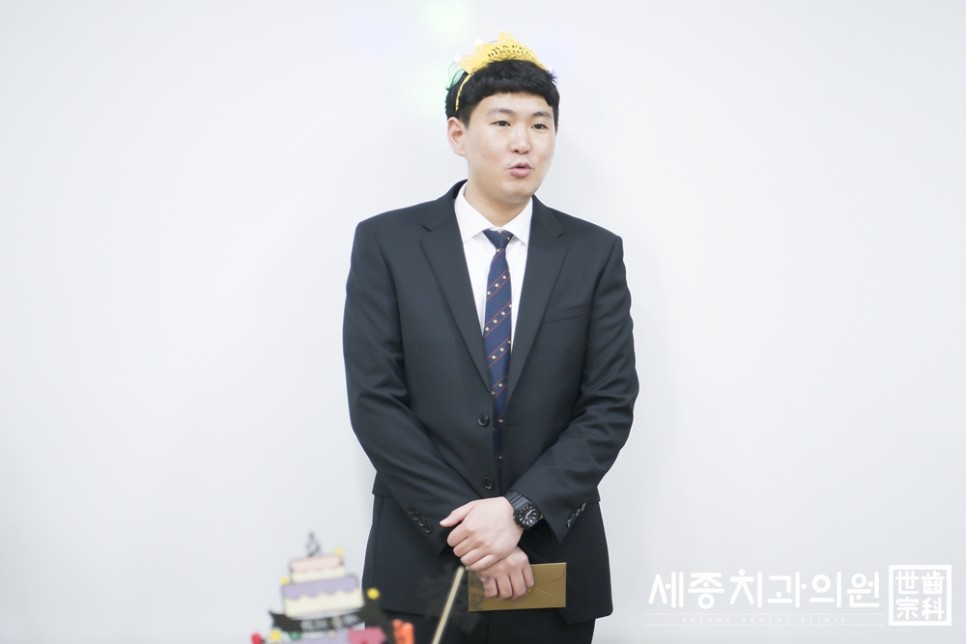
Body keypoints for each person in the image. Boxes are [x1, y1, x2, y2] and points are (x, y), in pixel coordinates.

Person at [342, 33, 638, 644]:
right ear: (459, 134)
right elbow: (376, 402)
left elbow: (608, 406)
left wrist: (518, 513)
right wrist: (475, 532)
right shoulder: (388, 244)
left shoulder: (594, 253)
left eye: (540, 124)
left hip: (550, 559)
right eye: (501, 122)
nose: (523, 141)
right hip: (420, 565)